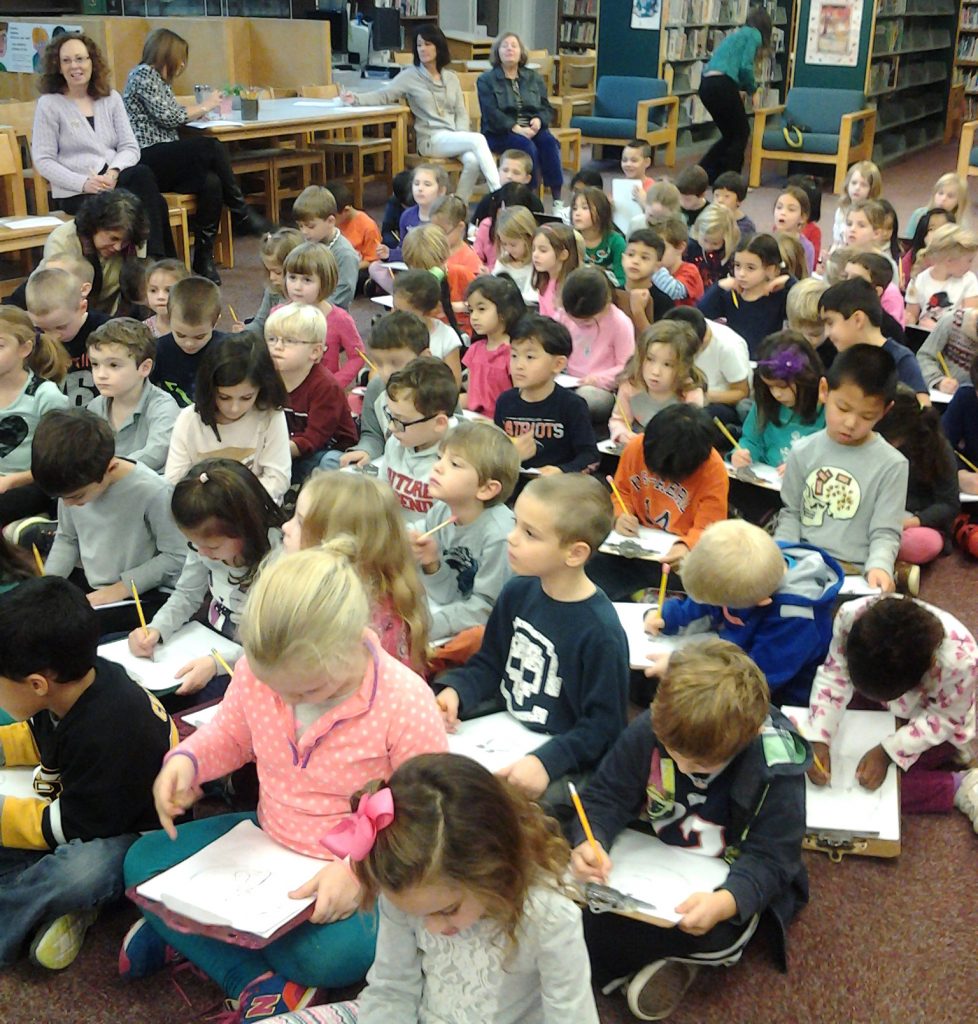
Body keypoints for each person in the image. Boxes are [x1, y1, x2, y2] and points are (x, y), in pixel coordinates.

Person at [119, 544, 448, 1019]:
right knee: (142, 863)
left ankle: (197, 936)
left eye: (309, 691)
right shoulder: (260, 672)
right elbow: (231, 733)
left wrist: (358, 871)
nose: (288, 700)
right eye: (276, 687)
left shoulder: (405, 700)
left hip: (353, 866)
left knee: (330, 956)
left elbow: (427, 813)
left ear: (355, 642)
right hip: (267, 840)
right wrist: (188, 762)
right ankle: (247, 973)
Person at [571, 640, 809, 1021]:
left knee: (718, 932)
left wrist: (727, 901)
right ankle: (658, 964)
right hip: (656, 855)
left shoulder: (773, 765)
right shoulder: (655, 728)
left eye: (698, 765)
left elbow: (773, 858)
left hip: (728, 871)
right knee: (582, 904)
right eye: (671, 751)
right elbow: (605, 797)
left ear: (746, 738)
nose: (681, 767)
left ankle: (668, 963)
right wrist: (591, 839)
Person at [289, 753, 600, 1024]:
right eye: (418, 914)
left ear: (491, 868)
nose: (432, 928)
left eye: (448, 910)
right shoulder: (408, 891)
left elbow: (573, 1017)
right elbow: (392, 989)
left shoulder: (548, 918)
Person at [0, 577, 176, 971]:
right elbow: (42, 738)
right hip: (84, 812)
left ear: (37, 684)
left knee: (77, 874)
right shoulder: (72, 685)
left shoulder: (112, 729)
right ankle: (60, 910)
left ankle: (49, 907)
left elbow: (71, 826)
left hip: (133, 836)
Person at [437, 475, 629, 804]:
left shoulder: (601, 632)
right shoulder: (517, 590)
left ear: (575, 553)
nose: (511, 538)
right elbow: (490, 664)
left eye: (530, 534)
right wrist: (457, 691)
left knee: (514, 809)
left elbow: (604, 726)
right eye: (516, 524)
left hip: (561, 754)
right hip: (502, 731)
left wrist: (546, 762)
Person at [801, 595, 977, 822]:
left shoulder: (961, 662)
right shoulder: (851, 617)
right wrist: (819, 736)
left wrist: (889, 751)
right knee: (820, 758)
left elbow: (944, 719)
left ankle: (958, 785)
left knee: (890, 788)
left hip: (932, 720)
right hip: (879, 694)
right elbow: (835, 675)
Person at [128, 459, 283, 706]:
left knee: (199, 702)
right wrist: (156, 629)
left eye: (213, 546)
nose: (201, 553)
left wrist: (217, 664)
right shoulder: (204, 545)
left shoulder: (278, 561)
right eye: (194, 543)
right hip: (210, 638)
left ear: (246, 527)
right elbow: (186, 594)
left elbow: (277, 647)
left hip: (257, 659)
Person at [121, 30, 269, 281]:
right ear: (167, 54)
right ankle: (240, 212)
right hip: (146, 157)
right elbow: (170, 117)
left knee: (212, 182)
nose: (182, 65)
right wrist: (206, 105)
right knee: (210, 147)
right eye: (180, 58)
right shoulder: (142, 74)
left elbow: (171, 113)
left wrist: (199, 112)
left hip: (165, 155)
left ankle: (203, 256)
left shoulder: (160, 81)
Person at [645, 520, 843, 705]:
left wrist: (685, 669)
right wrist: (670, 616)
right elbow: (711, 595)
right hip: (737, 656)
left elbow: (753, 682)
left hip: (777, 696)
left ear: (761, 602)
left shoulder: (796, 620)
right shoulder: (754, 567)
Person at [31, 408, 187, 633]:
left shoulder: (153, 491)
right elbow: (67, 538)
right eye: (62, 498)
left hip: (143, 594)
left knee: (70, 633)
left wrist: (120, 589)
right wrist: (47, 587)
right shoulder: (72, 486)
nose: (68, 504)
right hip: (96, 586)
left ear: (110, 468)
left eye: (77, 497)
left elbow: (176, 555)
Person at [776, 345, 908, 593]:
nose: (850, 423)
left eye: (867, 416)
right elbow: (791, 513)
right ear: (824, 390)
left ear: (885, 411)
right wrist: (782, 554)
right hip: (802, 561)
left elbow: (885, 531)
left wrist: (880, 566)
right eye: (843, 408)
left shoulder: (892, 464)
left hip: (854, 571)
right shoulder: (803, 451)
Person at [32, 32, 172, 260]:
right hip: (77, 191)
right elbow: (43, 160)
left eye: (80, 59)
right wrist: (84, 183)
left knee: (142, 177)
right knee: (154, 202)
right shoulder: (49, 104)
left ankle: (152, 263)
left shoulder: (111, 98)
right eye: (66, 61)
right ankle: (156, 263)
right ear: (58, 66)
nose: (74, 66)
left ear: (92, 62)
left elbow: (130, 146)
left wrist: (114, 172)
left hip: (112, 180)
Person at [283, 472, 429, 672]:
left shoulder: (365, 630)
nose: (285, 527)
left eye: (300, 522)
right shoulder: (322, 588)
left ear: (337, 542)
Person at [342, 26, 501, 202]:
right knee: (478, 139)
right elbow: (384, 95)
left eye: (427, 44)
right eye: (419, 45)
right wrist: (356, 98)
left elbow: (461, 112)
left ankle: (458, 206)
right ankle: (499, 194)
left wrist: (460, 136)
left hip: (454, 138)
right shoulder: (410, 76)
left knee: (473, 161)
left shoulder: (451, 77)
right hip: (431, 139)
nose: (422, 49)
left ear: (438, 46)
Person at [586, 405, 729, 599]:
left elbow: (708, 528)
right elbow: (622, 491)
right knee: (590, 567)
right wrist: (621, 514)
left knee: (699, 580)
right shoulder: (637, 447)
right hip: (634, 544)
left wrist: (687, 546)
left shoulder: (713, 470)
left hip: (674, 556)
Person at [410, 420, 519, 641]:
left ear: (486, 489)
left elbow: (487, 609)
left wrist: (424, 628)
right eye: (439, 458)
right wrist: (431, 563)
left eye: (455, 464)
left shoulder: (500, 535)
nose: (437, 467)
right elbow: (447, 596)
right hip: (453, 613)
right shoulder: (442, 510)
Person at [164, 336, 290, 505]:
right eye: (224, 397)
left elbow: (278, 480)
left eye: (246, 397)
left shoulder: (270, 415)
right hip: (202, 510)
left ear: (261, 389)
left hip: (254, 507)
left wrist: (232, 503)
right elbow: (174, 482)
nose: (234, 408)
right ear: (210, 389)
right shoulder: (189, 420)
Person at [495, 314, 599, 477]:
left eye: (530, 357)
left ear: (558, 364)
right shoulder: (505, 401)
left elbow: (590, 455)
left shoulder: (571, 405)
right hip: (514, 482)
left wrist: (562, 470)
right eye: (514, 356)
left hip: (557, 486)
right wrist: (511, 455)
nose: (519, 365)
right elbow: (494, 452)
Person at [264, 303, 358, 483]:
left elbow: (314, 439)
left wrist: (270, 451)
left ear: (315, 351)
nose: (277, 346)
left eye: (289, 341)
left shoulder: (325, 386)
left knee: (329, 463)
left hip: (325, 451)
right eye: (272, 339)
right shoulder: (267, 377)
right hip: (289, 449)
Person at [0, 306, 68, 524]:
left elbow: (59, 463)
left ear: (25, 349)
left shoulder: (45, 395)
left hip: (33, 484)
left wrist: (11, 481)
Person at [477, 32, 562, 205]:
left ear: (521, 52)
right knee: (527, 147)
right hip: (500, 132)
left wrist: (539, 120)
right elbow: (491, 113)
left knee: (548, 142)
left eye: (514, 46)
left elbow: (546, 107)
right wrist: (516, 128)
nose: (509, 49)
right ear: (497, 52)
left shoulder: (533, 77)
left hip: (532, 128)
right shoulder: (486, 80)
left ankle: (557, 201)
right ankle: (529, 198)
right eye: (505, 46)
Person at [877, 389, 960, 568]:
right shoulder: (871, 442)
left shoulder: (936, 447)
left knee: (924, 543)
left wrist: (912, 522)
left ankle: (878, 558)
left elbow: (949, 504)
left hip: (915, 521)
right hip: (877, 516)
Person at [339, 311, 430, 470]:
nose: (386, 372)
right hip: (389, 467)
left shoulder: (437, 389)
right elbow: (372, 434)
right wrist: (365, 450)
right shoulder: (376, 388)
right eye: (379, 364)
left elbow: (454, 433)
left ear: (424, 357)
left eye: (396, 363)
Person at [85, 318, 178, 472]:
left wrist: (109, 470)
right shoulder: (95, 407)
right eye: (95, 364)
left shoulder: (163, 406)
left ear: (145, 368)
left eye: (113, 365)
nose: (101, 374)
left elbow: (156, 454)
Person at [818, 278, 928, 402]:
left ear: (858, 319)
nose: (826, 333)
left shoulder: (901, 360)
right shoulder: (842, 358)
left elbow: (923, 407)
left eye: (830, 323)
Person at [42, 190, 149, 315]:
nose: (118, 247)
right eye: (113, 238)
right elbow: (57, 297)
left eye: (125, 241)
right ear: (95, 226)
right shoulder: (62, 240)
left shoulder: (134, 241)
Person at [697, 6, 772, 183]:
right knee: (741, 132)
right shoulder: (754, 35)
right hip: (722, 83)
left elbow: (728, 64)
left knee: (730, 134)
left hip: (706, 84)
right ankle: (731, 179)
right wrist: (753, 90)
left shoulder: (737, 34)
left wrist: (736, 88)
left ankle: (703, 173)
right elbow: (745, 67)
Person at [731, 329, 825, 470]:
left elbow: (832, 455)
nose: (777, 394)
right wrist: (742, 453)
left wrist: (801, 468)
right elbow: (751, 440)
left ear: (805, 379)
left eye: (783, 387)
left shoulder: (827, 409)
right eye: (770, 387)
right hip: (767, 477)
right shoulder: (766, 402)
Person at [384, 356, 460, 522]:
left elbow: (450, 524)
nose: (391, 427)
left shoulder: (459, 462)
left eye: (401, 421)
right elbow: (382, 495)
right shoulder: (396, 442)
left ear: (439, 423)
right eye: (391, 416)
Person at [556, 267, 636, 421]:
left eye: (586, 321)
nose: (578, 324)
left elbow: (627, 367)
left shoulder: (619, 323)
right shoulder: (563, 314)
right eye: (573, 318)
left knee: (586, 399)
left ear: (606, 305)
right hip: (567, 380)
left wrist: (598, 379)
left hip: (600, 388)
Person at [281, 242, 364, 388]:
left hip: (323, 393)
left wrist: (334, 384)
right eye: (292, 277)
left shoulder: (340, 319)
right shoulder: (278, 315)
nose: (297, 287)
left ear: (325, 281)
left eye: (307, 280)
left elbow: (358, 356)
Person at [25, 266, 109, 409]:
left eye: (60, 327)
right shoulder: (32, 340)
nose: (53, 336)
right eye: (42, 329)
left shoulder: (106, 332)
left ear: (82, 308)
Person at [697, 233, 792, 357]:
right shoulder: (730, 295)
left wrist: (788, 281)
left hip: (766, 362)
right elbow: (698, 316)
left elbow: (805, 306)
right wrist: (718, 287)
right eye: (737, 265)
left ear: (770, 269)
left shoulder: (778, 296)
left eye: (750, 268)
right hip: (734, 359)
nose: (741, 274)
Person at [609, 320, 705, 443]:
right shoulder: (630, 385)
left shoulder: (690, 392)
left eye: (667, 364)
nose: (656, 371)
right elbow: (619, 420)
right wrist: (623, 434)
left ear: (684, 367)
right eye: (649, 359)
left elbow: (692, 433)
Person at [150, 276, 228, 408]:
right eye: (180, 335)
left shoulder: (227, 350)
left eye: (199, 337)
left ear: (215, 322)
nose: (189, 343)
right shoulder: (159, 349)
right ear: (169, 318)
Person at [462, 274, 524, 418]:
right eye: (471, 310)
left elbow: (520, 399)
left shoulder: (514, 352)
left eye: (481, 309)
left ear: (504, 312)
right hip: (474, 420)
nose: (474, 317)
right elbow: (472, 395)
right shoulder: (475, 349)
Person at [291, 186, 359, 310]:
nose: (304, 232)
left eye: (310, 226)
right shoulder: (304, 244)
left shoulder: (345, 254)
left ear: (330, 221)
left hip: (328, 316)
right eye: (300, 226)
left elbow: (342, 294)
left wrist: (312, 309)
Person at [391, 270, 463, 384]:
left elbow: (454, 382)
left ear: (431, 311)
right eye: (393, 307)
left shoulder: (446, 337)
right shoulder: (392, 331)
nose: (393, 314)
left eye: (401, 312)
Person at [905, 224, 978, 331]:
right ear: (949, 261)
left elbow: (970, 324)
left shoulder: (969, 280)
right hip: (924, 337)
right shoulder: (919, 280)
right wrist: (908, 319)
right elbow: (911, 316)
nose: (971, 265)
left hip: (954, 338)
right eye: (969, 260)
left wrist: (938, 328)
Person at [571, 186, 626, 287]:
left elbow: (622, 280)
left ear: (602, 211)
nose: (577, 213)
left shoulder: (616, 242)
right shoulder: (570, 238)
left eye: (585, 208)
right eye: (575, 208)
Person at [532, 221, 584, 318]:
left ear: (563, 255)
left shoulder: (573, 289)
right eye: (534, 249)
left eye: (543, 250)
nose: (535, 255)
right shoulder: (543, 282)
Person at [687, 202, 740, 290]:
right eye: (705, 240)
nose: (708, 247)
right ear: (698, 230)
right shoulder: (690, 247)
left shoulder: (730, 254)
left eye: (715, 243)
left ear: (726, 240)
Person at [831, 161, 882, 250]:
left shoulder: (874, 214)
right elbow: (836, 241)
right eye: (854, 183)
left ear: (872, 189)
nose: (857, 188)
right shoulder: (841, 210)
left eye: (863, 185)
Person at [905, 171, 970, 239]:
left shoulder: (961, 225)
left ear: (959, 201)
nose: (943, 199)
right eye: (940, 193)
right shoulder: (919, 215)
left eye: (950, 196)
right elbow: (908, 241)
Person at [142, 258, 189, 338]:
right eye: (153, 290)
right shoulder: (144, 330)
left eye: (168, 290)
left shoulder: (195, 326)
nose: (160, 297)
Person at [711, 170, 755, 238]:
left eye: (726, 196)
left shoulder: (745, 227)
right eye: (717, 195)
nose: (720, 200)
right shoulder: (709, 218)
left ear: (739, 201)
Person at [675, 164, 709, 229]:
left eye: (687, 199)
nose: (682, 202)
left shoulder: (709, 213)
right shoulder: (674, 207)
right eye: (679, 197)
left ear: (702, 194)